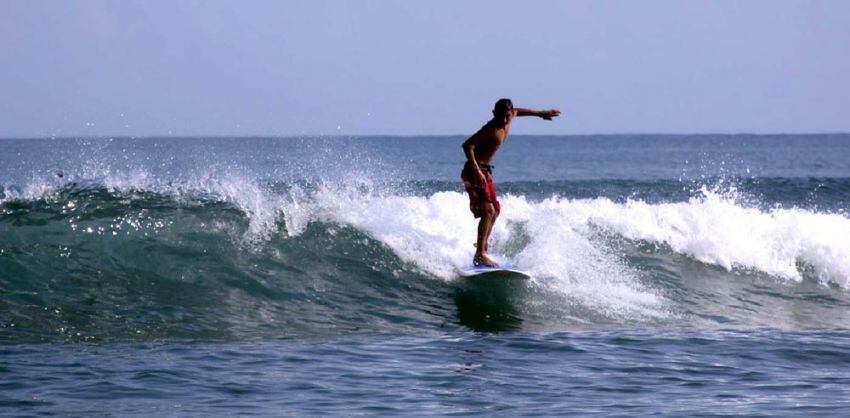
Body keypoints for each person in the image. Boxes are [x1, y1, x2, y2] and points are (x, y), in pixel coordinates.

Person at [461, 98, 560, 267]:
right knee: (488, 211)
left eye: (507, 116)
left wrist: (540, 114)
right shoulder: (491, 128)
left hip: (485, 171)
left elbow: (518, 111)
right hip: (474, 171)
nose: (505, 120)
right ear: (494, 114)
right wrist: (477, 171)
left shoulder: (510, 115)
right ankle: (480, 254)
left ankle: (482, 245)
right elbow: (467, 145)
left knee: (496, 210)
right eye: (501, 117)